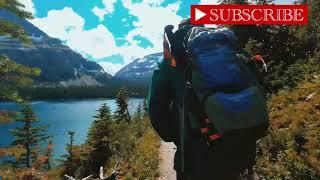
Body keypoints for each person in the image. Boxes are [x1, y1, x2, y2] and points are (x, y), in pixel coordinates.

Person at [148, 19, 266, 180]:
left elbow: (156, 107)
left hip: (195, 156)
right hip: (238, 149)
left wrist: (173, 136)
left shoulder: (170, 61)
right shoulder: (233, 53)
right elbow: (258, 86)